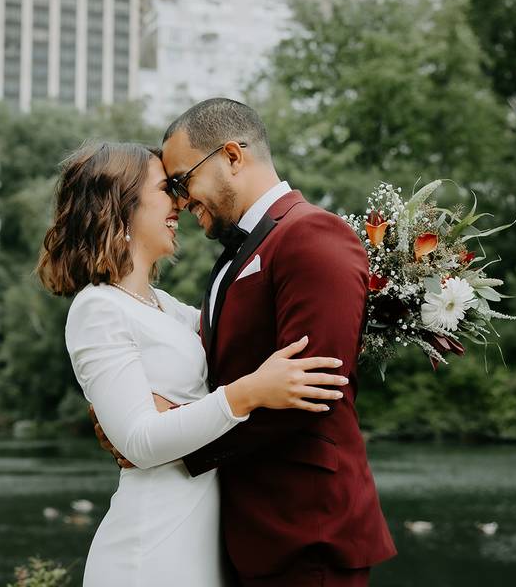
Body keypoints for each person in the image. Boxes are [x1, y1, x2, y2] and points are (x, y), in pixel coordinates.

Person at [93, 98, 398, 586]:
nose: (178, 199)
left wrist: (172, 445)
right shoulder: (239, 252)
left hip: (305, 531)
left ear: (232, 156)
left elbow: (309, 394)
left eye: (181, 180)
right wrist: (137, 418)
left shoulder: (312, 235)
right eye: (169, 188)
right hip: (248, 533)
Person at [37, 140, 350, 586]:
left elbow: (249, 335)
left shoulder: (166, 307)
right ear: (121, 205)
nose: (180, 204)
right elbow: (142, 441)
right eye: (167, 189)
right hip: (152, 549)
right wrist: (249, 393)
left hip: (204, 541)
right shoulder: (98, 309)